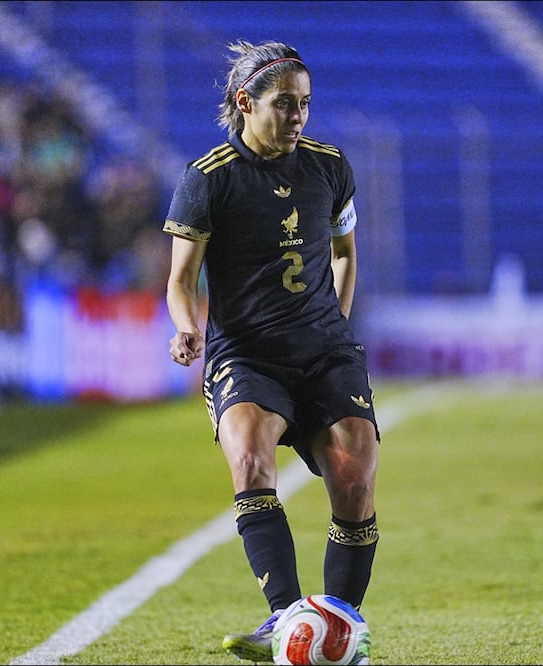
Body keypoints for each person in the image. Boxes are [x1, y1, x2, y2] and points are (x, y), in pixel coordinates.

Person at [163, 40, 381, 662]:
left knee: (354, 479)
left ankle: (338, 625)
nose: (298, 116)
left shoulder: (329, 167)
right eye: (285, 104)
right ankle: (285, 618)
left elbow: (344, 253)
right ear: (245, 103)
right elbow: (181, 279)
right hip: (246, 355)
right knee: (251, 462)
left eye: (305, 104)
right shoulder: (208, 179)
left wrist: (335, 326)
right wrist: (186, 327)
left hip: (325, 352)